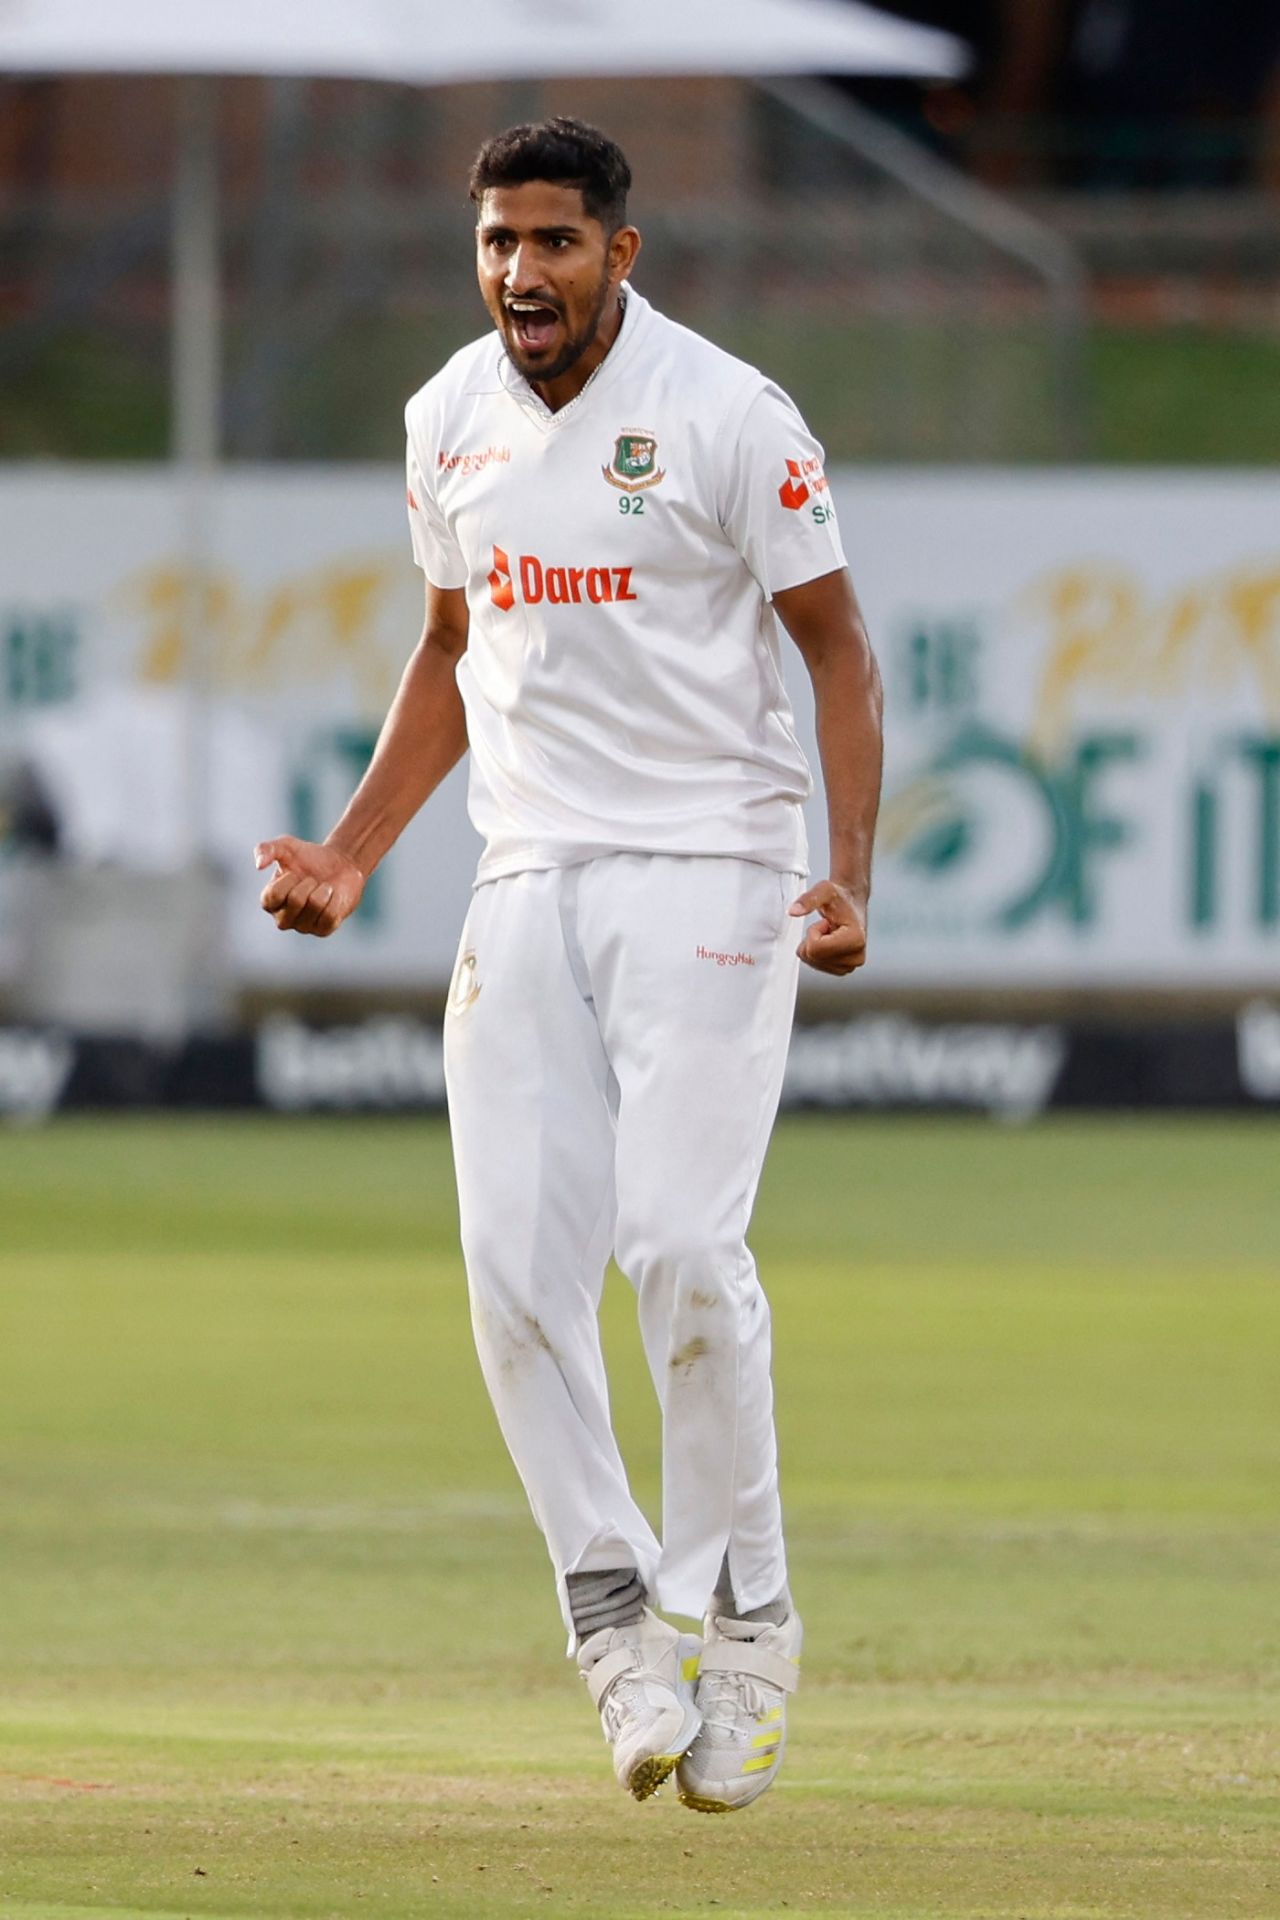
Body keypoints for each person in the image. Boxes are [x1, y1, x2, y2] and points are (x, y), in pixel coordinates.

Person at [255, 117, 883, 1813]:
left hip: (713, 867)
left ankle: (747, 1628)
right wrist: (353, 853)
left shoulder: (730, 415)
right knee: (513, 1274)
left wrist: (846, 873)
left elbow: (838, 653)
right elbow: (455, 648)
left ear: (623, 251)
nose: (519, 274)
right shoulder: (446, 418)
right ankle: (615, 1620)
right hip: (525, 872)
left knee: (679, 1248)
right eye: (495, 244)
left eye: (553, 242)